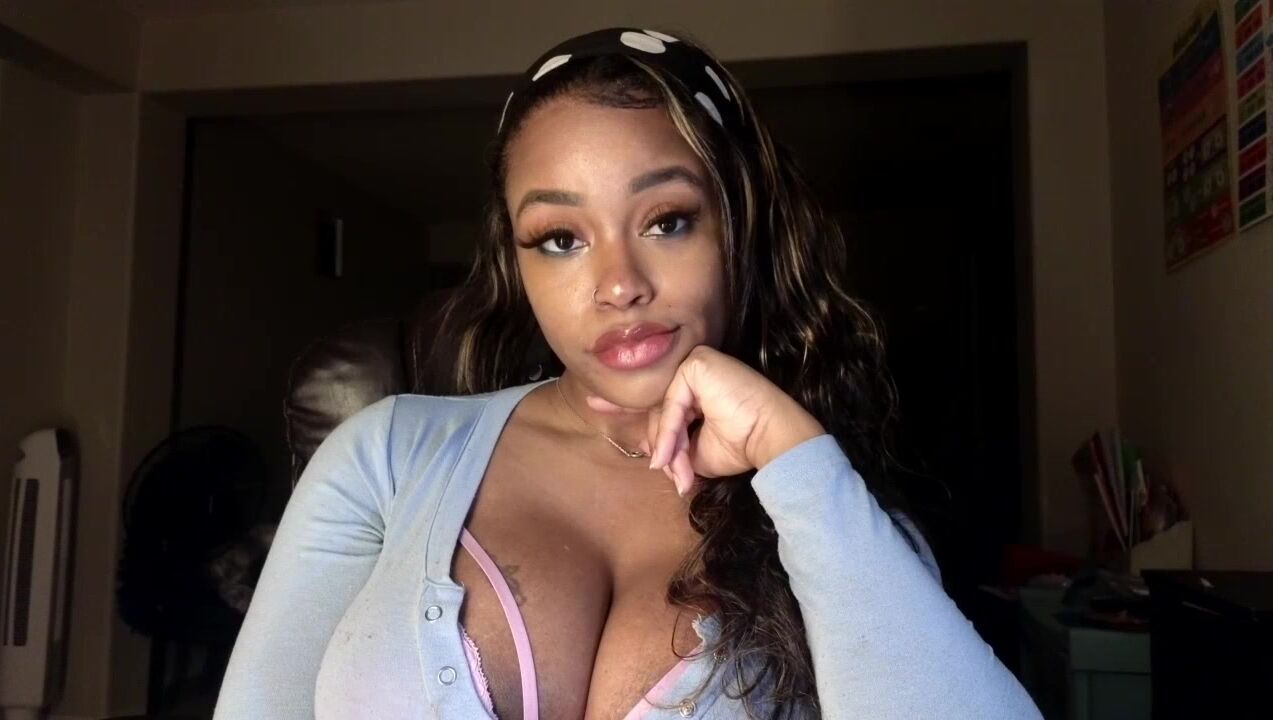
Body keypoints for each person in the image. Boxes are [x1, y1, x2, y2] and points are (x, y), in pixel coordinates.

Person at [213, 28, 1042, 720]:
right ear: (517, 264)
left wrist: (793, 458)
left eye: (667, 221)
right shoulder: (385, 458)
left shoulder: (834, 509)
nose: (618, 285)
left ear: (742, 228)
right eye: (560, 238)